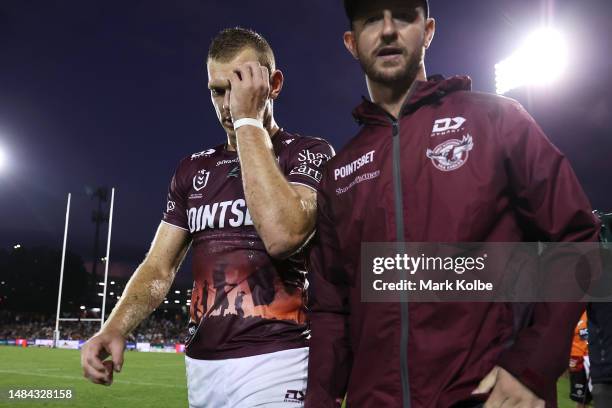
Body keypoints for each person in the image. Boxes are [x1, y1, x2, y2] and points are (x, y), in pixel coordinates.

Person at [305, 0, 600, 407]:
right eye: (373, 18)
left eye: (403, 16)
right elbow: (330, 307)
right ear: (352, 43)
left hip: (486, 396)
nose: (388, 30)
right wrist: (319, 399)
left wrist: (531, 367)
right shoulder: (339, 172)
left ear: (427, 31)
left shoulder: (497, 120)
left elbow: (576, 237)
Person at [81, 27, 334, 407]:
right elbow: (159, 267)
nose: (229, 103)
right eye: (218, 90)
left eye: (240, 86)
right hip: (202, 367)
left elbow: (285, 234)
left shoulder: (308, 153)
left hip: (279, 358)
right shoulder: (192, 169)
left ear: (273, 84)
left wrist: (249, 122)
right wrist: (115, 327)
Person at [569, 311, 592, 407]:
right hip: (576, 361)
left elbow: (586, 338)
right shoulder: (578, 313)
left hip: (588, 360)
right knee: (580, 398)